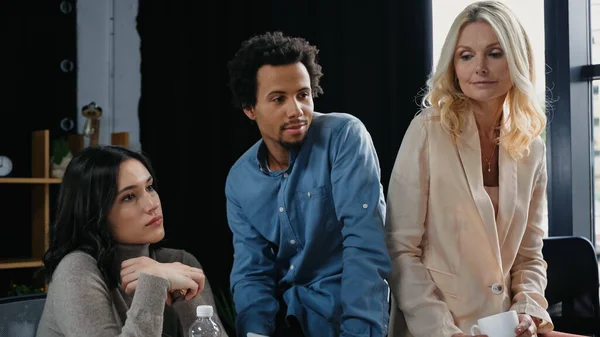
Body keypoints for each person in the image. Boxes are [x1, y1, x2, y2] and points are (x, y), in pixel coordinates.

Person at [383, 1, 577, 337]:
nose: (480, 68)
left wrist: (527, 312)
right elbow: (400, 251)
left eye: (495, 53)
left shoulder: (532, 148)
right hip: (433, 328)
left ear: (516, 60)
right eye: (466, 55)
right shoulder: (428, 130)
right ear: (453, 65)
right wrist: (444, 331)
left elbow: (529, 256)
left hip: (503, 329)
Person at [225, 31, 392, 337]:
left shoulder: (344, 137)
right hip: (290, 320)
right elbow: (251, 272)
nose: (296, 110)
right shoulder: (240, 180)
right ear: (250, 108)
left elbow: (365, 243)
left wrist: (359, 332)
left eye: (303, 95)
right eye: (279, 98)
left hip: (354, 314)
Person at [36, 145, 227, 337]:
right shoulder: (76, 270)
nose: (152, 204)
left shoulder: (178, 262)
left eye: (149, 187)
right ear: (95, 213)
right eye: (128, 197)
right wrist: (154, 281)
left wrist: (183, 295)